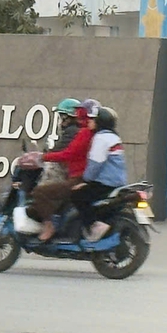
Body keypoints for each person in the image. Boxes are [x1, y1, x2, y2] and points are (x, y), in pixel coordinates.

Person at [25, 100, 97, 241]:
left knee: (40, 192)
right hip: (80, 175)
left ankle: (49, 226)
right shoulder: (93, 134)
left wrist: (43, 157)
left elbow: (67, 153)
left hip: (77, 177)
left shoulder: (81, 133)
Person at [72, 106, 128, 242]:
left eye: (93, 119)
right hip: (117, 182)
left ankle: (92, 226)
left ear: (100, 122)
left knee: (77, 196)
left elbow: (95, 164)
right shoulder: (113, 137)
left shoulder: (101, 138)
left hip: (105, 183)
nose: (89, 121)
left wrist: (85, 181)